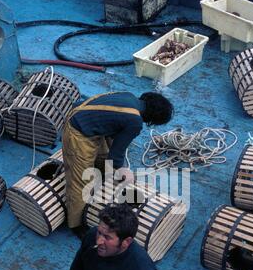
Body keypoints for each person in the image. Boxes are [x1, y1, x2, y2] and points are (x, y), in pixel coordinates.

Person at [62, 91, 173, 238]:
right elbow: (116, 156)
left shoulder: (129, 96)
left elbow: (111, 131)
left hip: (83, 118)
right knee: (81, 182)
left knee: (103, 158)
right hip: (78, 131)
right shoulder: (135, 122)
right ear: (154, 118)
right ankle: (76, 224)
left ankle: (101, 181)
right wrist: (124, 171)